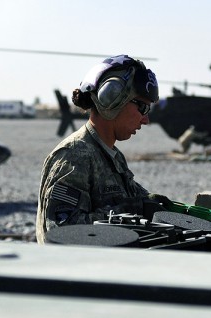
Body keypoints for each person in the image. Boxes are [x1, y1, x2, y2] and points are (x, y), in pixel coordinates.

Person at [36, 55, 170, 244]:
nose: (145, 119)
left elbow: (139, 202)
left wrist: (156, 205)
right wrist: (132, 210)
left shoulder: (111, 156)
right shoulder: (74, 156)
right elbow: (62, 233)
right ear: (112, 99)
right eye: (142, 107)